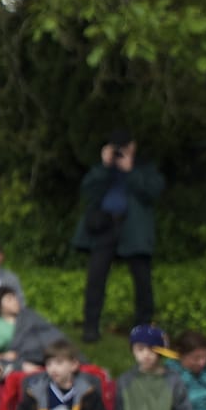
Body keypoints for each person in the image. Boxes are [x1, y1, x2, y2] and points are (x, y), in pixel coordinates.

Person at [71, 130, 162, 342]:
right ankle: (90, 327)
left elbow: (153, 192)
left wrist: (130, 171)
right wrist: (104, 166)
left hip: (133, 230)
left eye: (124, 147)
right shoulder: (103, 169)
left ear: (133, 147)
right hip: (105, 227)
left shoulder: (145, 167)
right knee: (95, 278)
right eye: (116, 148)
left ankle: (142, 330)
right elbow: (88, 190)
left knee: (142, 281)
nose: (120, 152)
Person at [0, 290, 64, 384]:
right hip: (19, 357)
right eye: (9, 299)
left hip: (40, 350)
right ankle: (9, 369)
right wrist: (4, 355)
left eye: (15, 297)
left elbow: (46, 331)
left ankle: (11, 368)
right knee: (14, 363)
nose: (15, 301)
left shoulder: (29, 316)